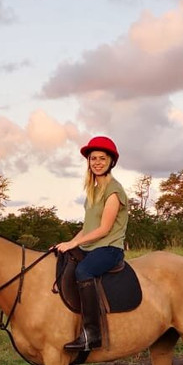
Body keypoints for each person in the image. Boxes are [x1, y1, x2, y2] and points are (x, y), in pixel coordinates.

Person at [54, 136, 129, 351]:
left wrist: (74, 243)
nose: (97, 162)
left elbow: (104, 229)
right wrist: (68, 243)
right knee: (63, 260)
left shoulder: (114, 191)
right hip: (91, 246)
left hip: (109, 248)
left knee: (84, 271)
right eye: (93, 158)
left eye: (102, 158)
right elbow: (88, 228)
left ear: (111, 162)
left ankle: (92, 334)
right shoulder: (92, 191)